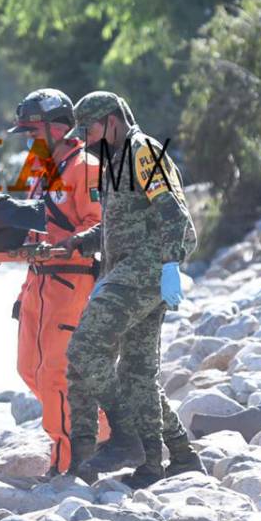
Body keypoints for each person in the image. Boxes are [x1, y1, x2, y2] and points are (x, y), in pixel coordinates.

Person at [64, 91, 200, 489]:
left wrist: (171, 267)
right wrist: (82, 242)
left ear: (111, 120)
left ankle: (125, 437)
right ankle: (175, 458)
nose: (86, 139)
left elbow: (174, 213)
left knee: (85, 348)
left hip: (148, 267)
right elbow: (120, 223)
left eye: (89, 129)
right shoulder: (113, 158)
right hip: (127, 267)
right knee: (137, 372)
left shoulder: (143, 151)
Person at [6, 89, 105, 476]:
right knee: (28, 369)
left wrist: (64, 248)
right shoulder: (42, 172)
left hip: (70, 283)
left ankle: (68, 460)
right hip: (36, 283)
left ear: (58, 128)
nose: (30, 140)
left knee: (55, 374)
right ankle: (106, 430)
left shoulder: (87, 168)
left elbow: (98, 224)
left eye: (34, 132)